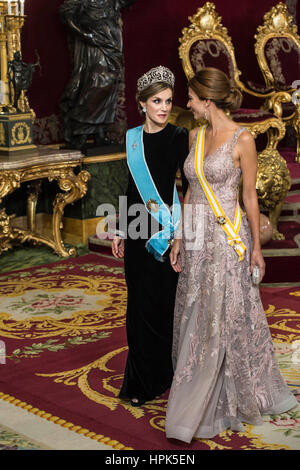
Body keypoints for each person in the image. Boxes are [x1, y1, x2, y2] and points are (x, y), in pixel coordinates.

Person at [165, 67, 297, 442]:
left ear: (207, 100)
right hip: (195, 239)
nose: (187, 103)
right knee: (198, 311)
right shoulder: (195, 135)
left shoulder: (243, 139)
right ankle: (198, 384)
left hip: (226, 241)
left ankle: (221, 396)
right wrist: (179, 237)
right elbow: (190, 190)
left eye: (191, 98)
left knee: (224, 316)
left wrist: (256, 246)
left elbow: (250, 197)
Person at [112, 66, 189, 407]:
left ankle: (165, 372)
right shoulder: (131, 139)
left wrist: (182, 236)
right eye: (156, 101)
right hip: (136, 229)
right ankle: (141, 381)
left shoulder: (179, 137)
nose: (164, 107)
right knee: (138, 305)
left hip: (168, 231)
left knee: (164, 305)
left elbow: (189, 189)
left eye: (168, 101)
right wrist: (118, 227)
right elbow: (130, 188)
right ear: (142, 103)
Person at [59, 0, 135, 150]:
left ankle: (99, 132)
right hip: (93, 41)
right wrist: (86, 34)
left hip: (112, 38)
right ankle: (80, 131)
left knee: (111, 83)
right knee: (95, 83)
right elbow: (66, 14)